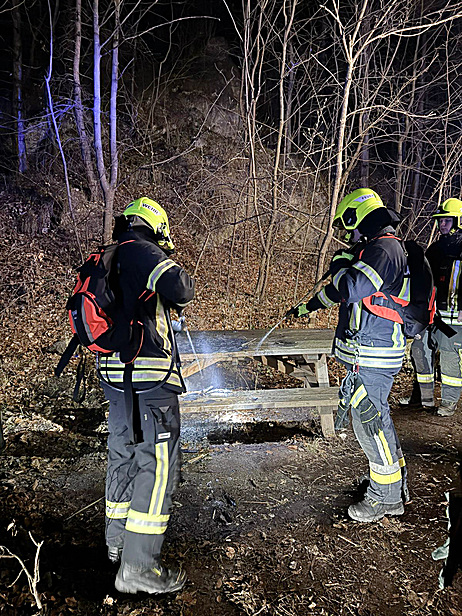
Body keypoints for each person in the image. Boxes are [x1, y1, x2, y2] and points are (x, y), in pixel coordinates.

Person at [288, 188, 409, 523]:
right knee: (377, 420)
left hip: (373, 353)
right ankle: (392, 486)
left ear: (359, 218)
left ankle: (385, 498)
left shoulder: (384, 250)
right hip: (370, 351)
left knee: (369, 424)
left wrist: (341, 264)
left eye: (349, 227)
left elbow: (351, 287)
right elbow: (342, 292)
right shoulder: (378, 250)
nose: (349, 236)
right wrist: (308, 306)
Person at [98, 197, 195, 594]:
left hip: (115, 374)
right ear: (156, 227)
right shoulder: (143, 249)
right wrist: (167, 260)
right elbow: (181, 287)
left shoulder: (112, 255)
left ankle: (118, 543)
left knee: (122, 453)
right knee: (157, 466)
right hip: (149, 377)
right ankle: (138, 567)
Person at [409, 198, 462, 417]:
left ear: (458, 221)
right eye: (440, 221)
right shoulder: (436, 248)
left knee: (449, 357)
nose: (442, 224)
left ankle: (449, 402)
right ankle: (424, 399)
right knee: (419, 350)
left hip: (453, 317)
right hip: (431, 314)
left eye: (447, 220)